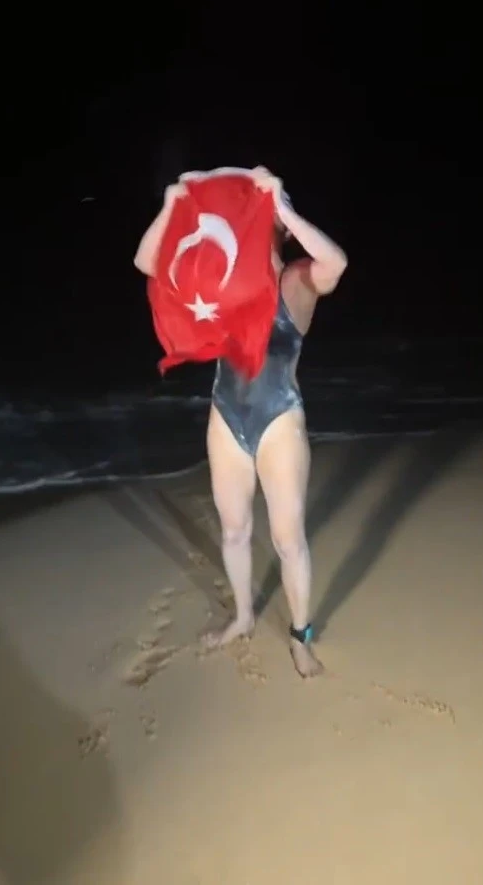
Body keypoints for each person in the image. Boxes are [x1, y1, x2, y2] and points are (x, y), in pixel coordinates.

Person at [134, 168, 347, 677]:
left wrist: (284, 207)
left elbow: (336, 262)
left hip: (279, 420)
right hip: (226, 416)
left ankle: (300, 635)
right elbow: (146, 262)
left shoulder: (297, 281)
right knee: (233, 531)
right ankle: (244, 617)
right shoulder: (221, 276)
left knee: (288, 539)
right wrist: (172, 204)